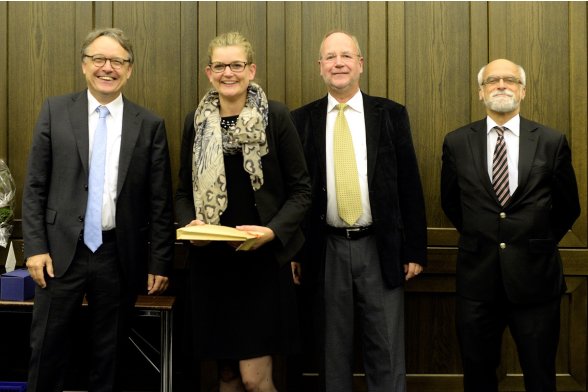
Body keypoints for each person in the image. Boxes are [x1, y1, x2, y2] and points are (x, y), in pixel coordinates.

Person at [22, 28, 175, 392]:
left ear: (130, 70)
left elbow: (160, 201)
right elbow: (35, 186)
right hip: (59, 254)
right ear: (84, 65)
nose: (108, 68)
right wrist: (35, 247)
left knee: (110, 357)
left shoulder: (149, 124)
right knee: (47, 350)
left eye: (117, 61)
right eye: (99, 59)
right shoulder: (54, 111)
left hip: (118, 256)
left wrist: (160, 262)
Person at [291, 30, 427, 392]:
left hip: (380, 248)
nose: (338, 63)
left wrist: (414, 249)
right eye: (330, 57)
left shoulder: (390, 114)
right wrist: (295, 250)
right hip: (325, 249)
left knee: (386, 349)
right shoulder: (300, 120)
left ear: (360, 64)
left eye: (346, 56)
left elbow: (409, 184)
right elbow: (294, 193)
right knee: (331, 352)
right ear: (320, 67)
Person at [175, 31, 311, 392]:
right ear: (208, 72)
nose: (228, 73)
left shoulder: (275, 117)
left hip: (261, 264)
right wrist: (191, 227)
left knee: (255, 378)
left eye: (236, 65)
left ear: (251, 70)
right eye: (220, 66)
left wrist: (273, 232)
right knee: (226, 376)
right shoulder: (196, 122)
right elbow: (181, 192)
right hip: (211, 264)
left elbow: (301, 191)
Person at [441, 58, 580, 391]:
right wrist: (485, 236)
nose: (501, 85)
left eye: (509, 80)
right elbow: (451, 204)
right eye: (492, 81)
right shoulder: (458, 142)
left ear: (523, 90)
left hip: (536, 282)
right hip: (478, 281)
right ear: (480, 92)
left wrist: (535, 240)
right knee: (477, 376)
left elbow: (568, 207)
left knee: (540, 374)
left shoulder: (550, 141)